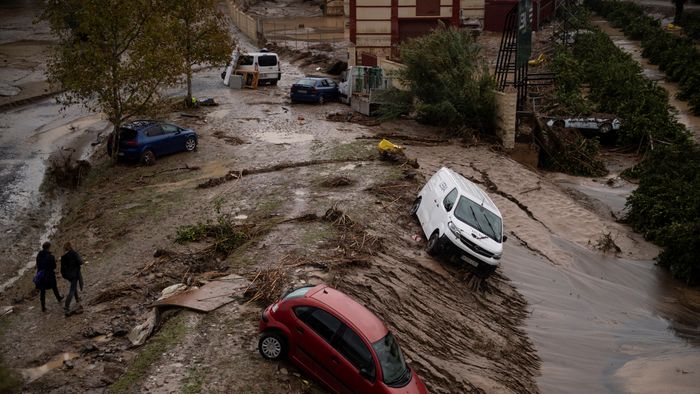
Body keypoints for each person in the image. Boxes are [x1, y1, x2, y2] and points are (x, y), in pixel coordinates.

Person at [35, 242, 63, 312]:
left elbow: (38, 265)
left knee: (42, 291)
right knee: (54, 287)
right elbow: (54, 266)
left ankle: (43, 307)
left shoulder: (39, 255)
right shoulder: (51, 257)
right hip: (49, 275)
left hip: (41, 275)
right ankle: (59, 298)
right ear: (49, 247)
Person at [60, 241, 83, 316]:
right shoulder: (74, 253)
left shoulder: (63, 257)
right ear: (70, 246)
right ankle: (66, 306)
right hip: (74, 274)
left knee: (73, 285)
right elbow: (80, 262)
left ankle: (77, 299)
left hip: (67, 275)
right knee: (72, 290)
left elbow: (62, 269)